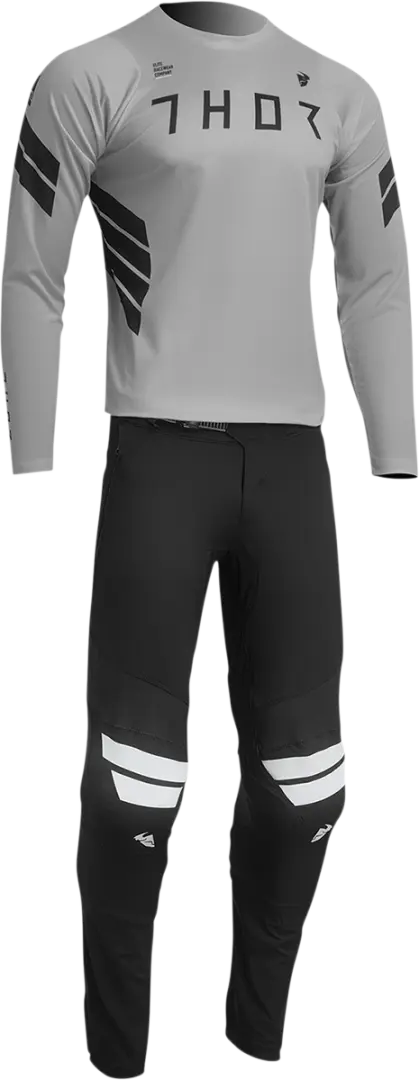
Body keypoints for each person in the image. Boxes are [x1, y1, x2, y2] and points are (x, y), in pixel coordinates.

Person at [1, 3, 417, 1076]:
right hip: (158, 456)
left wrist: (395, 449)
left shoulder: (340, 91)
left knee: (310, 781)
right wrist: (34, 450)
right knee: (129, 785)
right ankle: (117, 1055)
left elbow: (374, 275)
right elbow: (33, 269)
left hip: (291, 466)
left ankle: (257, 1038)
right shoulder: (91, 75)